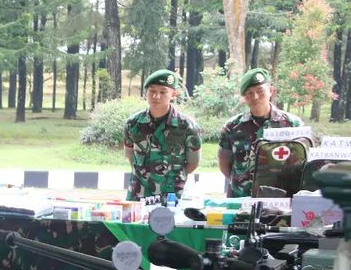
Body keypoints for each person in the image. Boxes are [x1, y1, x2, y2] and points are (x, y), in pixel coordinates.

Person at [219, 67, 303, 198]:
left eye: (260, 91)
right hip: (241, 197)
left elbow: (301, 161)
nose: (255, 97)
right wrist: (241, 182)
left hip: (280, 198)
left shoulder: (292, 124)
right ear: (244, 98)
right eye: (250, 93)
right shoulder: (232, 126)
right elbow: (224, 163)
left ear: (271, 91)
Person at [123, 69, 201, 201]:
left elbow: (193, 163)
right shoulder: (133, 123)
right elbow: (130, 155)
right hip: (139, 193)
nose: (156, 96)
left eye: (163, 92)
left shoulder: (187, 126)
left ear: (173, 94)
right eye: (152, 91)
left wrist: (171, 178)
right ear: (146, 92)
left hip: (171, 195)